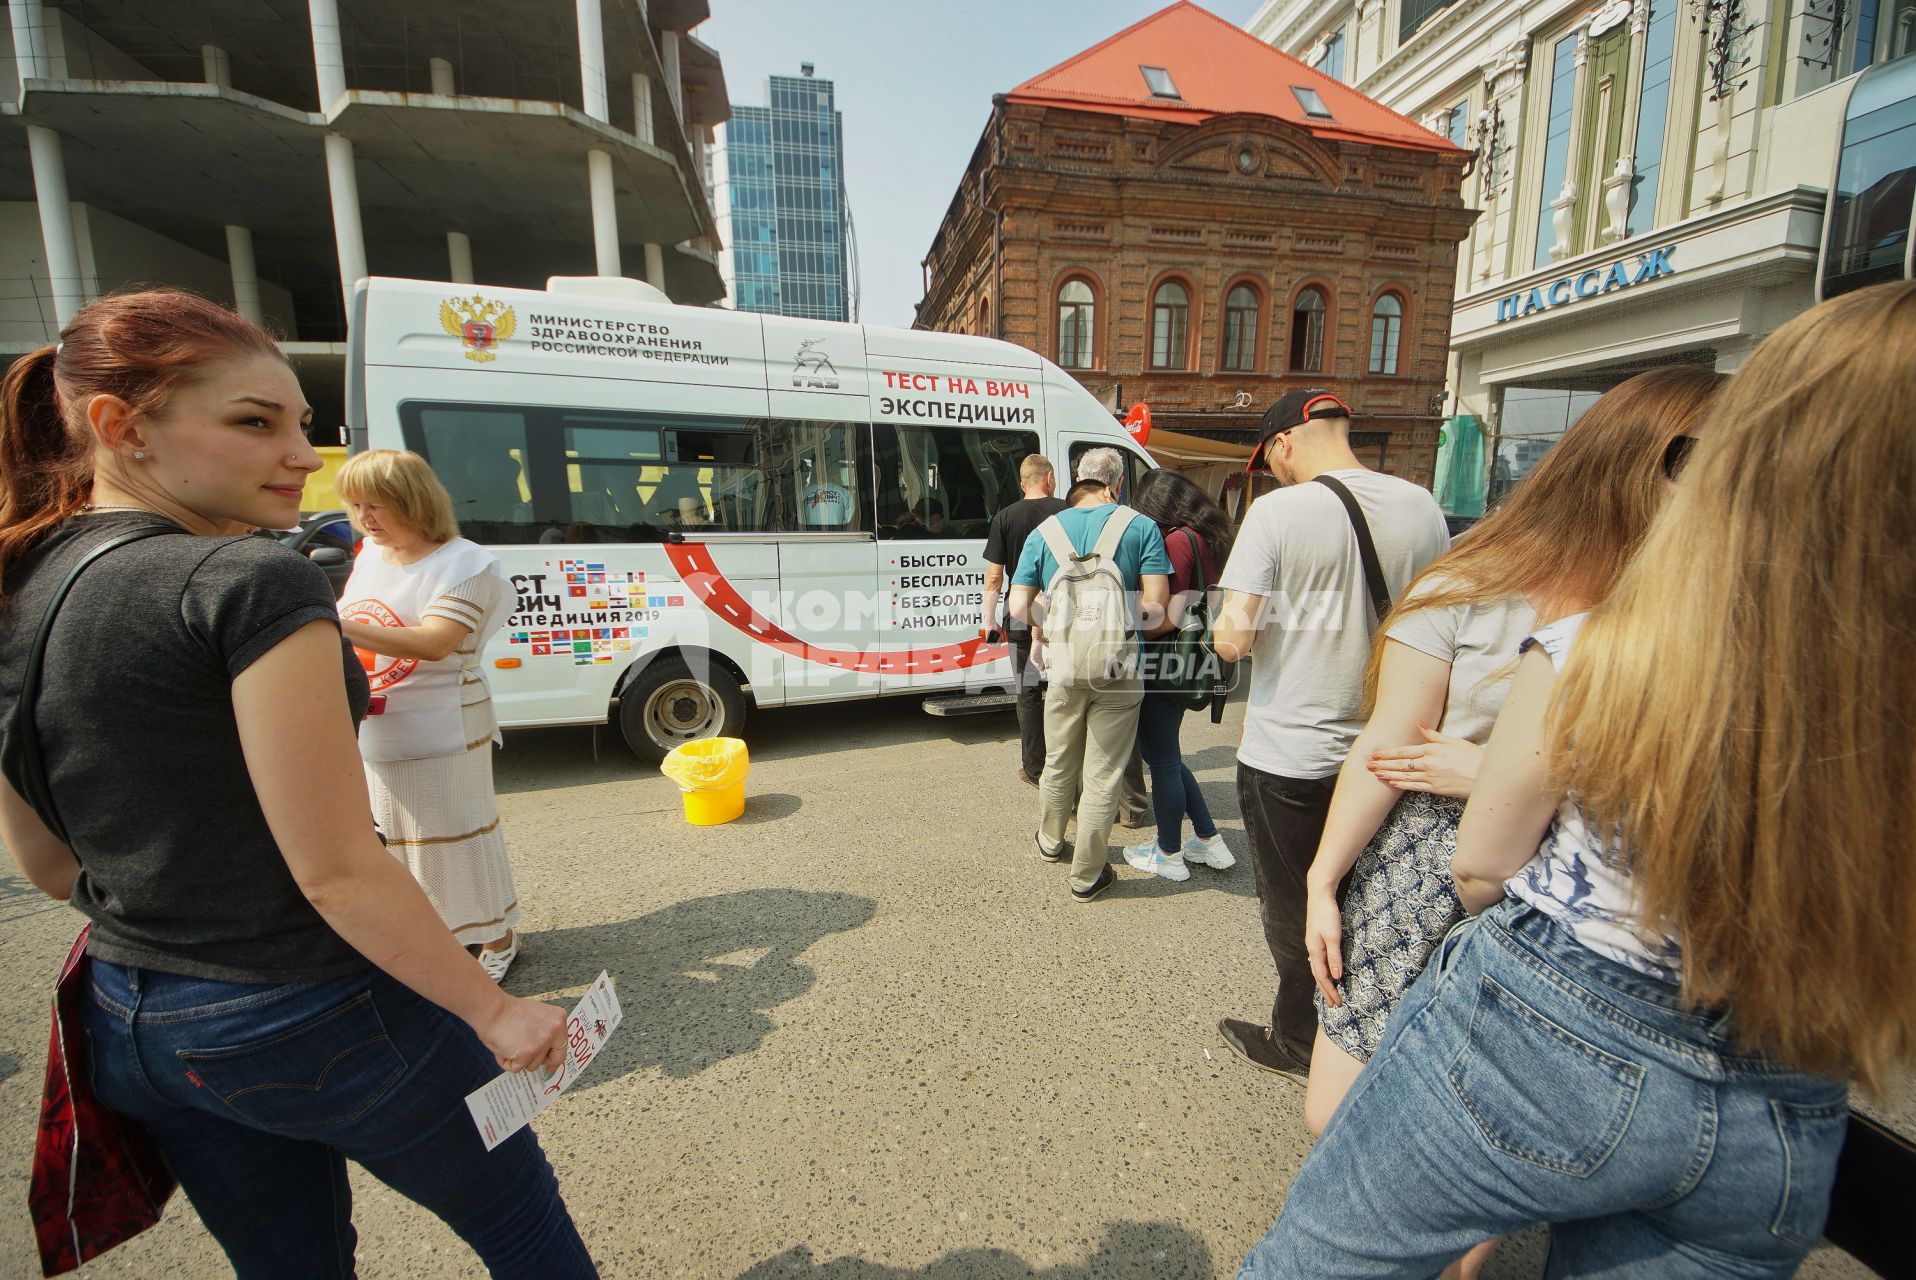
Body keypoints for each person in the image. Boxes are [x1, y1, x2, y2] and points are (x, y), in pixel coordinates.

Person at [1239, 281, 1916, 1280]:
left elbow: (1480, 859)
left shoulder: (1617, 637)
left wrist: (1462, 836)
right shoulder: (1858, 665)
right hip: (1788, 1069)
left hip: (1563, 998)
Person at [0, 290, 595, 1276]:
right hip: (313, 1007)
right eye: (253, 421)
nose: (302, 457)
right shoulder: (246, 582)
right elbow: (336, 870)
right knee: (518, 1221)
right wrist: (495, 1010)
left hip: (131, 1017)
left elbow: (43, 858)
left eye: (300, 425)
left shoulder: (18, 587)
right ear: (120, 427)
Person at [1297, 367, 1723, 1280]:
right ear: (1646, 470)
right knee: (1335, 1110)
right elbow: (1388, 740)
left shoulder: (1710, 618)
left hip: (1557, 904)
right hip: (1425, 866)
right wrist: (1322, 877)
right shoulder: (1474, 582)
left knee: (1479, 1155)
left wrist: (1484, 770)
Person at [1211, 388, 1449, 1080]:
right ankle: (1371, 1030)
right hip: (1390, 749)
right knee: (1373, 899)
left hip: (1294, 753)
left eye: (1271, 460)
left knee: (1297, 906)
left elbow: (1234, 639)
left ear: (1283, 443)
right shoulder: (1422, 508)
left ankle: (1298, 1040)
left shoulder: (1277, 512)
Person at [335, 450, 523, 982]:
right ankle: (435, 934)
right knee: (394, 839)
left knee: (458, 835)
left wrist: (329, 623)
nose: (365, 517)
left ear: (413, 501)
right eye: (355, 505)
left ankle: (497, 934)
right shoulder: (370, 554)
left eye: (377, 504)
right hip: (378, 721)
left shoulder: (467, 563)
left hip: (447, 724)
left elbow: (435, 642)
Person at [1009, 446, 1169, 901]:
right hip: (1118, 670)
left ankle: (1050, 841)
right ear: (1116, 484)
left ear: (1077, 479)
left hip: (1063, 667)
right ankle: (1087, 876)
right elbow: (1157, 610)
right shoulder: (1142, 528)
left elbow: (1018, 608)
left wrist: (1053, 623)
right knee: (1103, 773)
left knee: (1059, 759)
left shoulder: (1045, 532)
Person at [1119, 467, 1237, 882]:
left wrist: (1124, 628)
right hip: (1191, 662)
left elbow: (1167, 616)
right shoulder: (1208, 538)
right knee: (1168, 755)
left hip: (1164, 663)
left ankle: (1168, 852)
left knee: (1163, 760)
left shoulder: (1175, 542)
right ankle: (1207, 839)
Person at [980, 454, 1067, 785]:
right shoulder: (1067, 512)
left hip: (1019, 612)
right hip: (1064, 613)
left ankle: (1035, 768)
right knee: (1067, 688)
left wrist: (989, 621)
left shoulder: (1005, 516)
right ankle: (1071, 763)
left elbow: (993, 578)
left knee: (1028, 691)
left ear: (1021, 484)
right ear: (1049, 479)